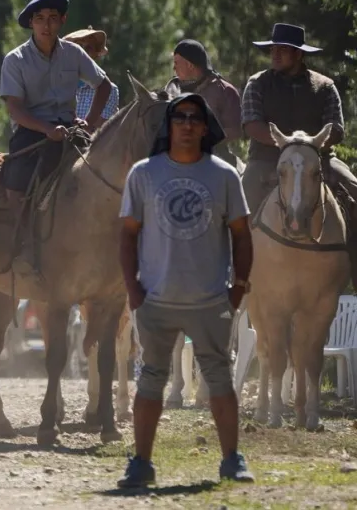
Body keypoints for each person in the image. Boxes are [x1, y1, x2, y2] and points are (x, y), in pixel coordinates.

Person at [118, 93, 254, 488]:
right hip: (155, 299)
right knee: (150, 380)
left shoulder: (224, 175)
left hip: (210, 300)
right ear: (169, 124)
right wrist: (132, 288)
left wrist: (238, 287)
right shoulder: (143, 173)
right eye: (180, 117)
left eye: (195, 117)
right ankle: (141, 463)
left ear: (205, 126)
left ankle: (232, 460)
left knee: (220, 380)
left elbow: (242, 235)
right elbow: (127, 235)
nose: (188, 124)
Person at [0, 0, 114, 275]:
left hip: (71, 129)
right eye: (40, 19)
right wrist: (46, 129)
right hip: (32, 131)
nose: (46, 25)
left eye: (52, 18)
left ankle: (109, 243)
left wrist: (89, 121)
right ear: (31, 24)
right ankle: (24, 246)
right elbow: (15, 108)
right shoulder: (15, 59)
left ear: (62, 20)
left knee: (104, 172)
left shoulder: (74, 53)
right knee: (16, 180)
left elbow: (104, 85)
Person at [240, 22, 357, 284]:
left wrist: (310, 146)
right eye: (273, 49)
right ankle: (236, 271)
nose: (275, 54)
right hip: (266, 160)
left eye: (282, 50)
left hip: (318, 159)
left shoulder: (325, 86)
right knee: (240, 205)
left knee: (354, 191)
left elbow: (336, 128)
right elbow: (252, 124)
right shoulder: (257, 83)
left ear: (299, 54)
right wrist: (286, 144)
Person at [167, 39, 242, 166]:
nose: (174, 68)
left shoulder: (224, 91)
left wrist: (204, 139)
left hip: (215, 158)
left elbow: (235, 130)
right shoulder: (171, 90)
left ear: (190, 65)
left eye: (176, 63)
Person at [63, 26, 119, 131]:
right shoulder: (58, 83)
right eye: (78, 47)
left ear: (96, 55)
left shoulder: (110, 90)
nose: (82, 53)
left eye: (88, 48)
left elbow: (100, 129)